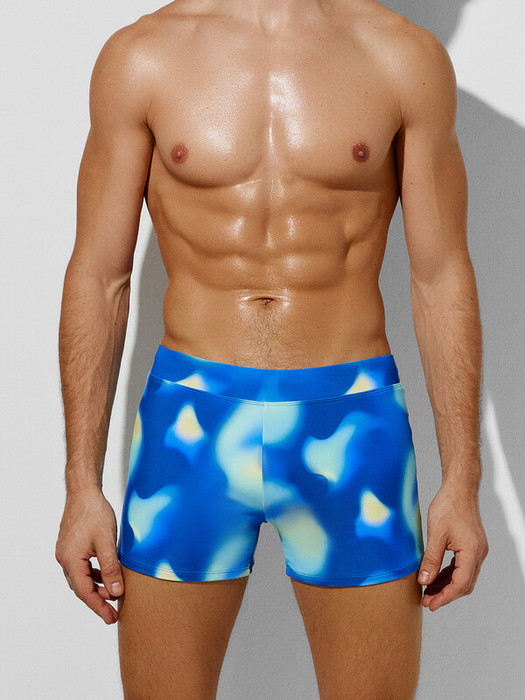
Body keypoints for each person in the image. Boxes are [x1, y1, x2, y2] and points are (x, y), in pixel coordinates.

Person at [55, 1, 489, 697]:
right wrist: (81, 486)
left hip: (351, 426)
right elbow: (99, 275)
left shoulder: (401, 57)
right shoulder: (143, 56)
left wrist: (463, 482)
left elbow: (440, 277)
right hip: (190, 426)